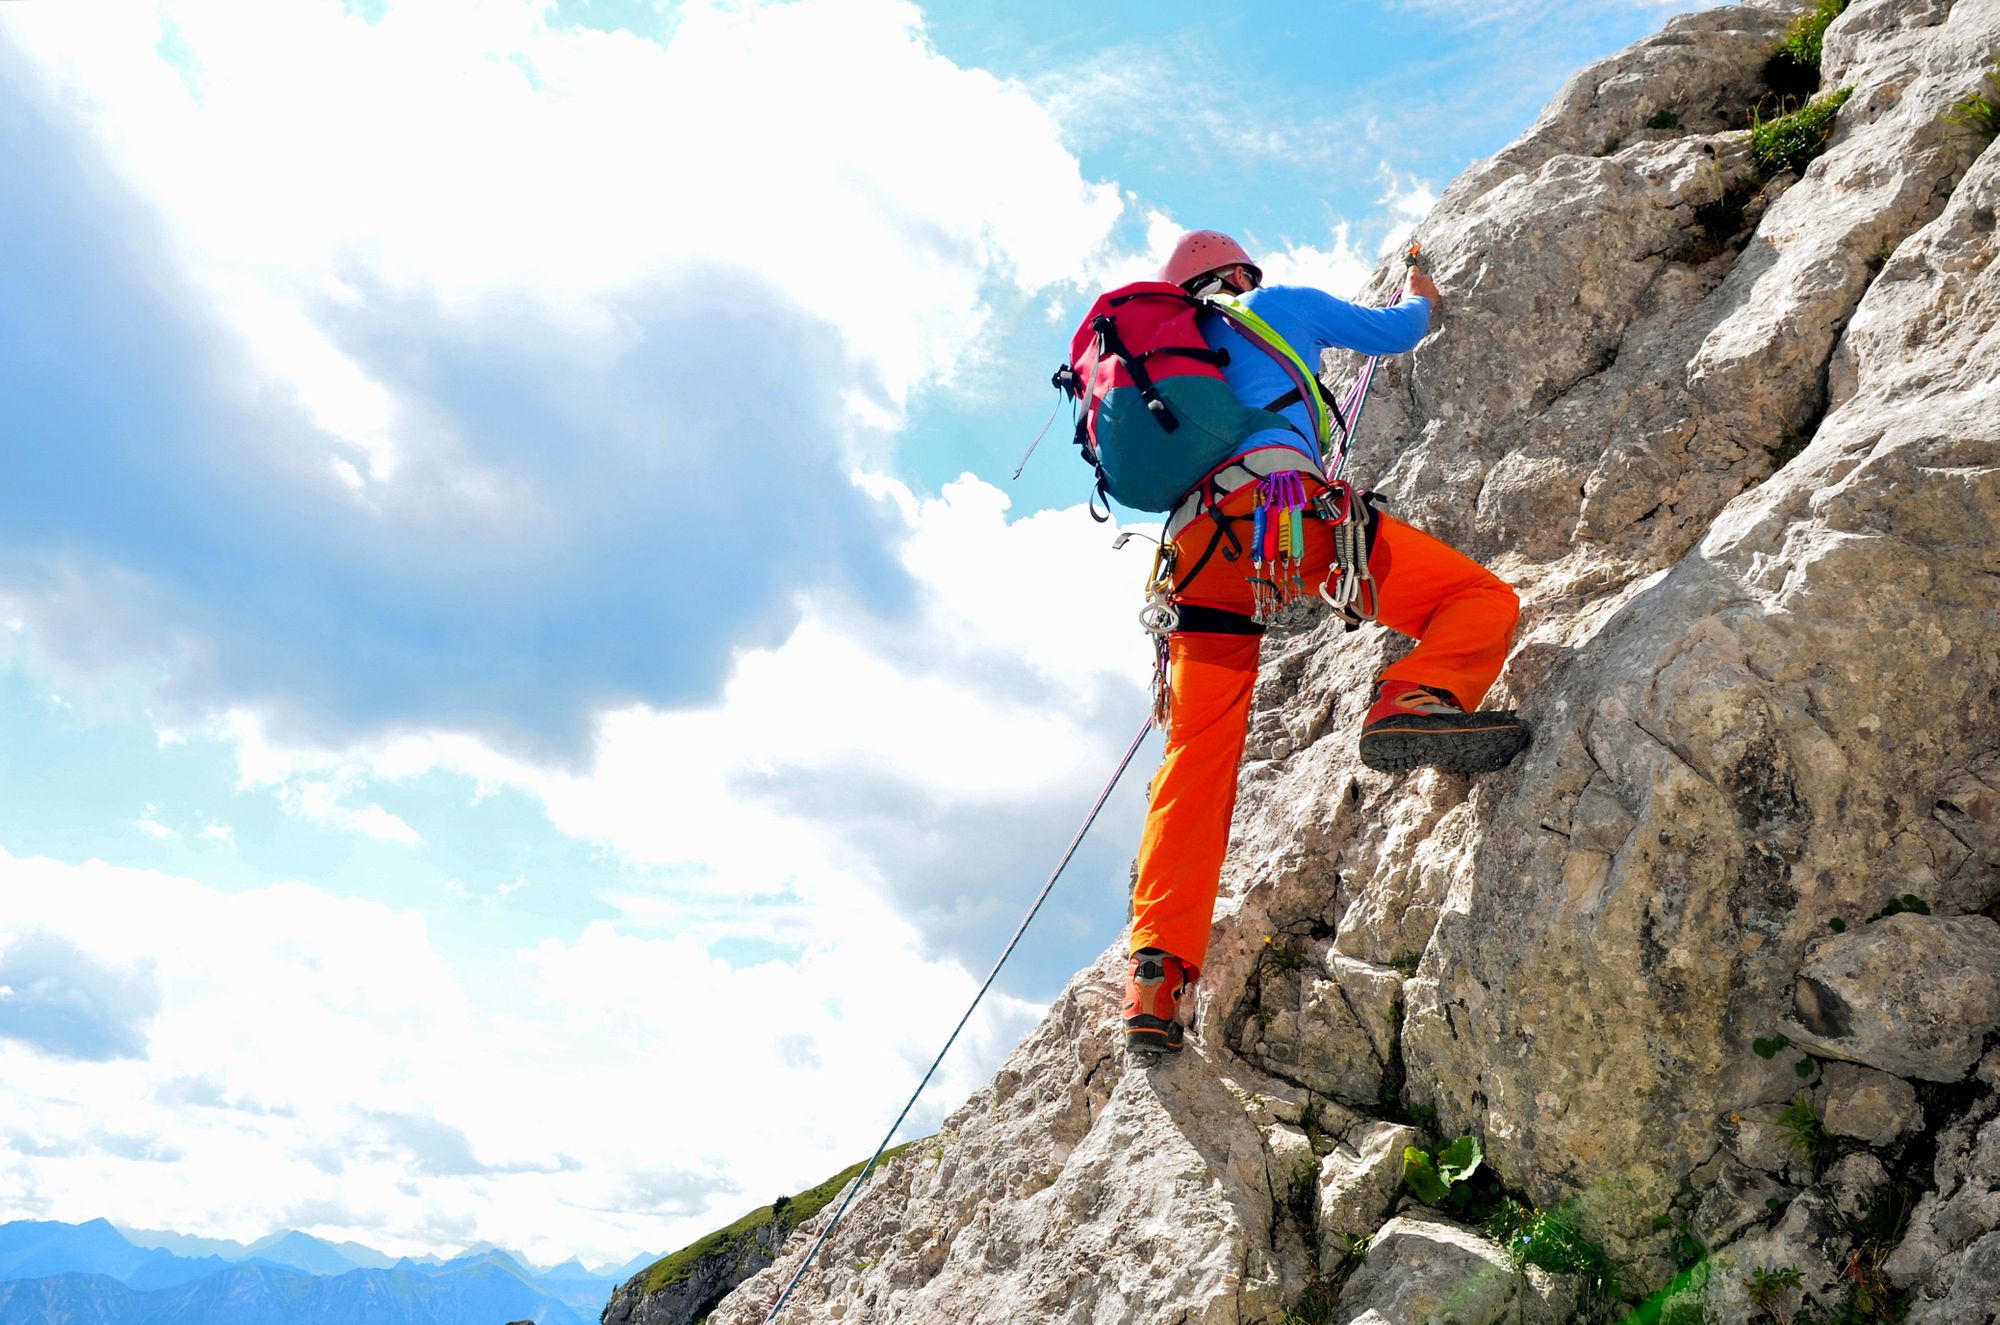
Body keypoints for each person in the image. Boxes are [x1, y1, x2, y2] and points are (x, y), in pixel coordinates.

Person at [1123, 230, 1528, 1057]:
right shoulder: (1275, 307)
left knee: (1194, 764)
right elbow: (1400, 331)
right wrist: (1421, 286)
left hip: (1194, 560)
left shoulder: (1160, 367)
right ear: (1235, 276)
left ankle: (1156, 984)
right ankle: (1413, 695)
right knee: (1476, 599)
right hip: (1286, 518)